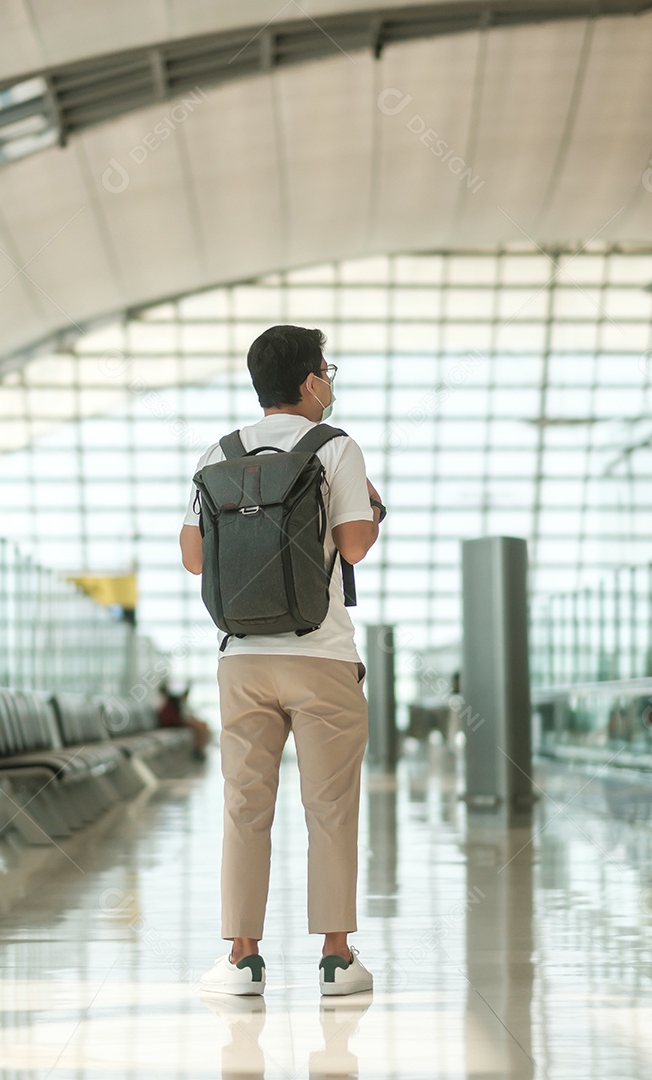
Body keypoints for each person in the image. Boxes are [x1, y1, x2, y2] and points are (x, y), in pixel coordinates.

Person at [180, 325, 385, 996]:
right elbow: (354, 547)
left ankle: (242, 959)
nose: (330, 379)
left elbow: (193, 557)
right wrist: (374, 508)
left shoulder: (221, 451)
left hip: (241, 658)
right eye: (327, 369)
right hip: (320, 654)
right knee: (329, 806)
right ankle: (335, 958)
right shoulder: (336, 448)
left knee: (245, 806)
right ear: (308, 381)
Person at [158, 685, 211, 761]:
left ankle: (200, 748)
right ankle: (198, 748)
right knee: (200, 727)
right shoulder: (171, 702)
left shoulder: (174, 701)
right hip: (174, 723)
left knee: (202, 726)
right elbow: (175, 718)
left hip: (176, 722)